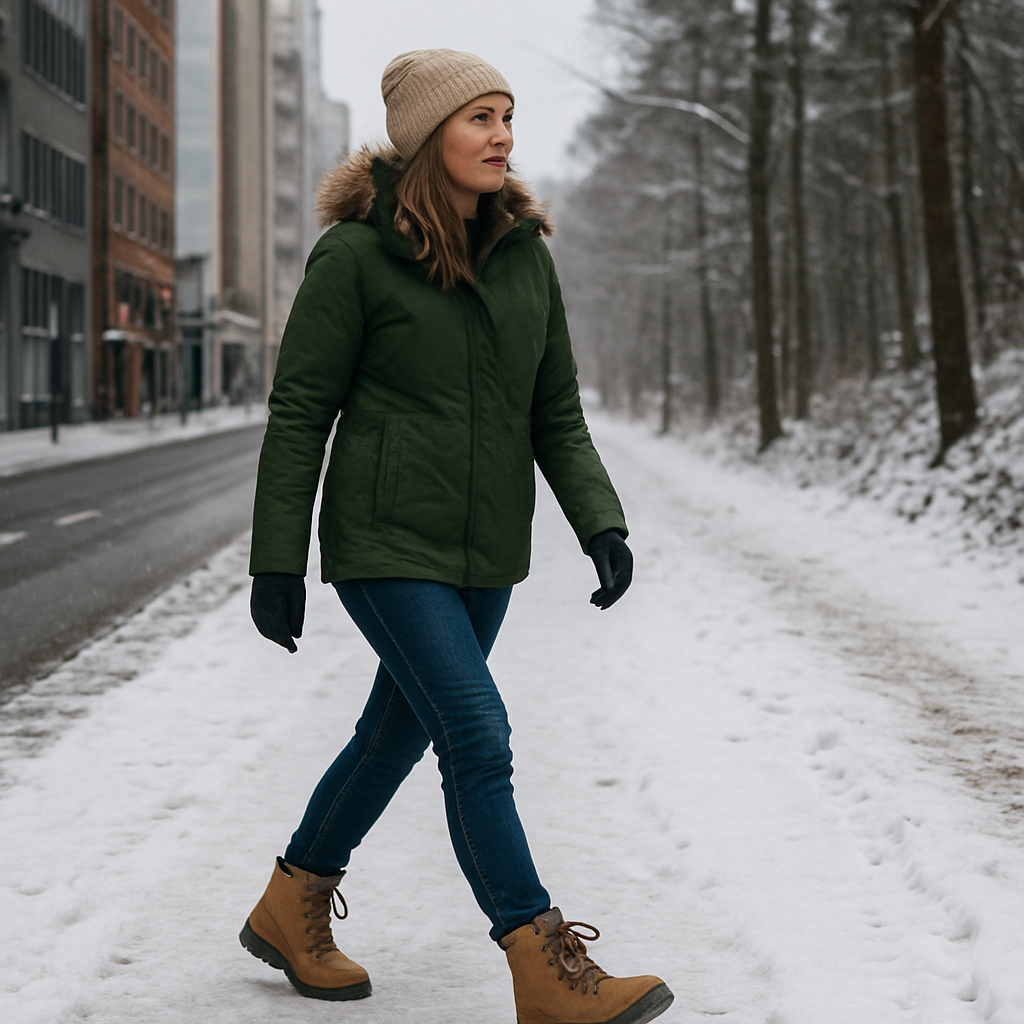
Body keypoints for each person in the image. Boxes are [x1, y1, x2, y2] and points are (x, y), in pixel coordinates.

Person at [240, 48, 673, 1024]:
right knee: (476, 734)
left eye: (507, 115)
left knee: (393, 732)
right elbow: (301, 409)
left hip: (487, 552)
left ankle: (289, 900)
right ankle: (540, 959)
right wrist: (278, 557)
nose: (502, 135)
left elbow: (554, 409)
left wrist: (598, 519)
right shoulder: (353, 256)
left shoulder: (524, 256)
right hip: (386, 540)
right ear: (426, 135)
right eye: (478, 116)